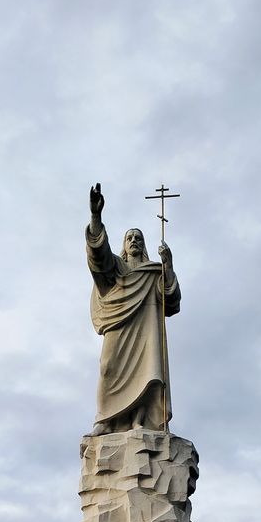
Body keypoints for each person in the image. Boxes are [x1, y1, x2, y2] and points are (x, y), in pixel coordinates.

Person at [86, 182, 180, 433]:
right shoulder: (116, 268)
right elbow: (98, 259)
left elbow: (171, 301)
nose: (134, 240)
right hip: (120, 324)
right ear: (124, 245)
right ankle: (106, 420)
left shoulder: (153, 272)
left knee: (147, 370)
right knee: (108, 368)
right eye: (130, 237)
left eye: (138, 237)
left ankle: (140, 421)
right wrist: (96, 217)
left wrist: (167, 265)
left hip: (146, 328)